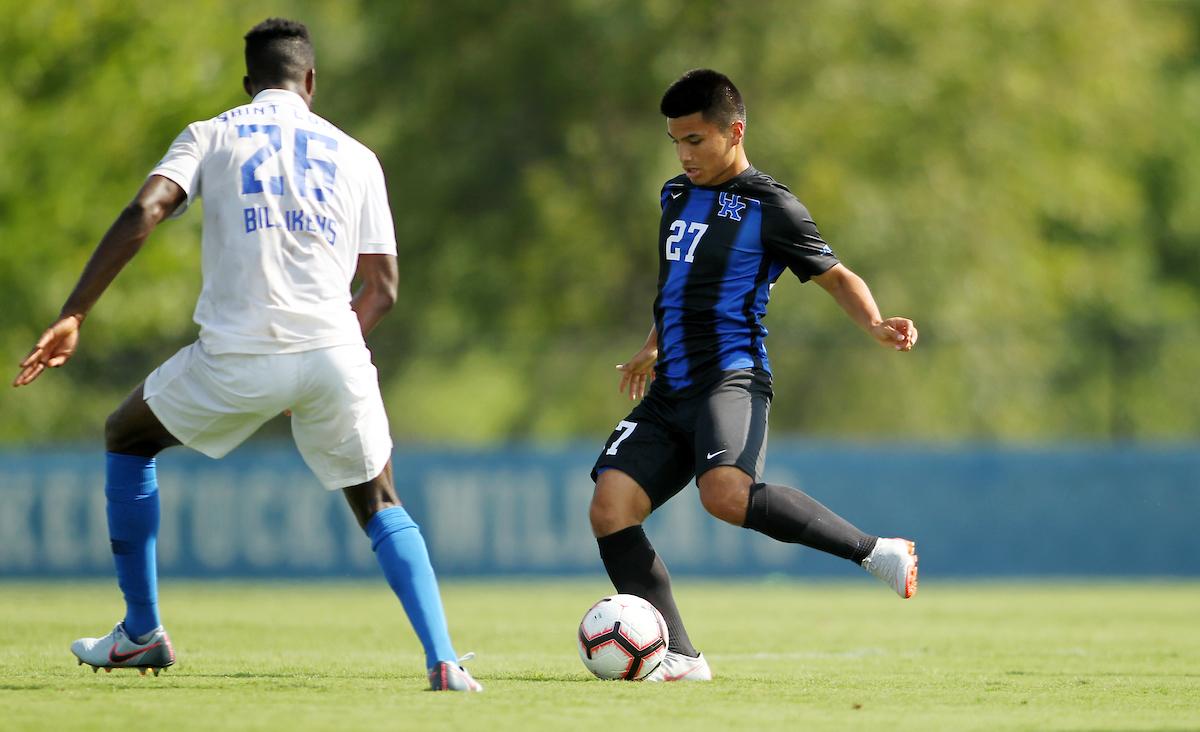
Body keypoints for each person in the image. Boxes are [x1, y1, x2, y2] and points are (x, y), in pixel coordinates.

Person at [13, 18, 481, 692]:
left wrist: (74, 312)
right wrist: (317, 357)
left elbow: (147, 211)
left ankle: (142, 632)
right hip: (334, 352)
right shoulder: (356, 155)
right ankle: (444, 661)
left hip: (237, 355)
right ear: (311, 82)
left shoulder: (213, 132)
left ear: (247, 83)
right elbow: (382, 289)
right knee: (379, 497)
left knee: (127, 435)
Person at [589, 69, 919, 682]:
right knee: (610, 507)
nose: (684, 155)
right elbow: (679, 289)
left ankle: (877, 552)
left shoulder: (773, 208)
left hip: (730, 380)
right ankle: (681, 658)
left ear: (733, 132)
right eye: (676, 142)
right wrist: (652, 346)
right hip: (670, 390)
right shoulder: (673, 196)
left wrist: (874, 324)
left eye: (696, 141)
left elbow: (838, 276)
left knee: (724, 495)